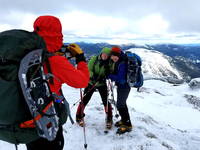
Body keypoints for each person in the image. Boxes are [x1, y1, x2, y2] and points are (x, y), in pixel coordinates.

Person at [26, 16, 90, 150]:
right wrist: (80, 59)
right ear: (57, 33)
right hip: (48, 116)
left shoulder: (27, 54)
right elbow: (82, 81)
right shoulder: (55, 61)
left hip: (28, 115)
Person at [76, 47, 113, 129]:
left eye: (107, 55)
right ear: (101, 53)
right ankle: (79, 116)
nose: (105, 56)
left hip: (102, 83)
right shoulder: (94, 59)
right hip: (91, 82)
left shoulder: (109, 62)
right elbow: (89, 69)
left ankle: (109, 118)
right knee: (85, 99)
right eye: (104, 54)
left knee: (105, 101)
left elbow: (111, 71)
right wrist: (93, 76)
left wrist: (107, 74)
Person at [108, 46, 132, 134]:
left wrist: (109, 76)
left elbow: (121, 79)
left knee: (120, 105)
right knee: (122, 104)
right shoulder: (119, 61)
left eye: (114, 56)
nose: (113, 57)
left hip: (124, 87)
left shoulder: (123, 63)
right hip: (122, 87)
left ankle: (127, 125)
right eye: (112, 56)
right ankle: (124, 120)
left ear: (118, 55)